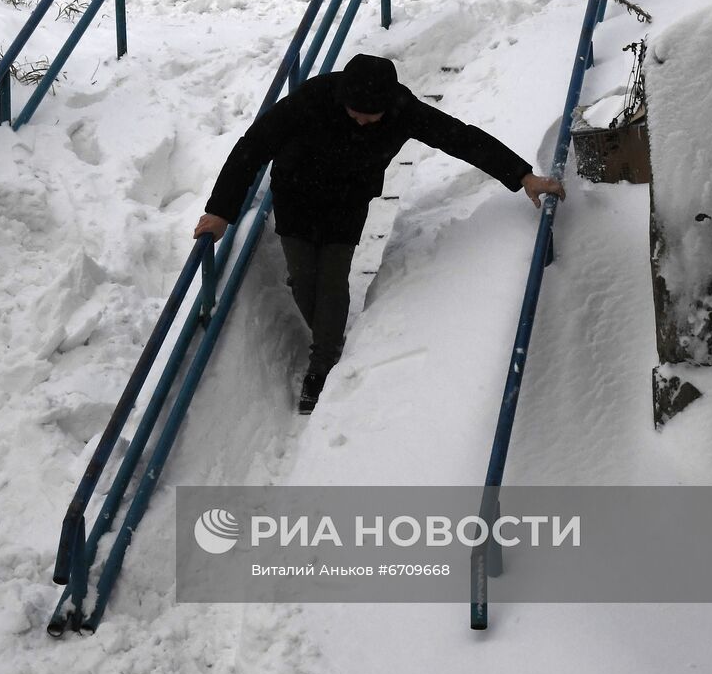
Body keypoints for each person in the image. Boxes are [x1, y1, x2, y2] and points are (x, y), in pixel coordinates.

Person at [193, 54, 565, 414]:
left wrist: (521, 174)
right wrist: (220, 211)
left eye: (373, 117)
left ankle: (321, 364)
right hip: (296, 197)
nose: (364, 123)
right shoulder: (310, 99)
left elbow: (460, 138)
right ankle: (328, 338)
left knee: (334, 280)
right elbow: (253, 146)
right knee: (303, 280)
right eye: (357, 114)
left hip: (347, 202)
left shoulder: (402, 109)